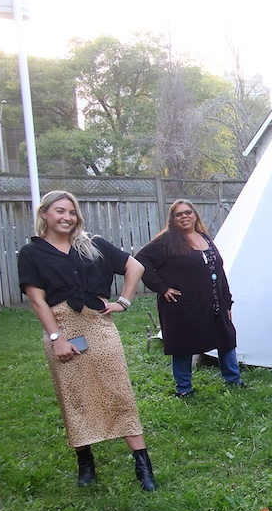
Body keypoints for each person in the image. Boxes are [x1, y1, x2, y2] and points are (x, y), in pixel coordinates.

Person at [17, 190, 156, 491]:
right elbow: (37, 300)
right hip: (62, 327)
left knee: (118, 391)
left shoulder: (93, 245)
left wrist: (124, 301)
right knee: (75, 396)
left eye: (71, 212)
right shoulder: (32, 253)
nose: (66, 217)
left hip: (98, 325)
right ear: (44, 215)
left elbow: (136, 266)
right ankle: (86, 461)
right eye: (59, 211)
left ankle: (143, 465)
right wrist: (57, 338)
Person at [136, 199, 244, 397]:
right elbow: (140, 260)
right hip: (182, 304)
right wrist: (162, 287)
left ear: (195, 215)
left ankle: (233, 379)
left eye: (188, 212)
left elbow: (219, 271)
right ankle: (184, 389)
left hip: (213, 301)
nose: (184, 216)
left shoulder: (204, 238)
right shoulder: (167, 241)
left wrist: (226, 301)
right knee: (183, 344)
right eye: (179, 214)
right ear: (173, 219)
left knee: (226, 337)